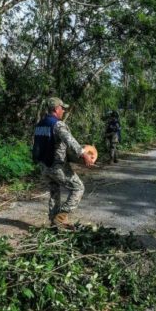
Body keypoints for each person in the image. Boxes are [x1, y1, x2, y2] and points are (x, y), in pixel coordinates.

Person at [32, 97, 95, 228]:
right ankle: (61, 218)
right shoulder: (57, 124)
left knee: (54, 192)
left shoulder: (40, 125)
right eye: (62, 108)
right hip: (57, 166)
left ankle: (53, 223)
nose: (64, 111)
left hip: (44, 166)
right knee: (78, 188)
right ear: (56, 109)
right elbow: (70, 141)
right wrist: (84, 154)